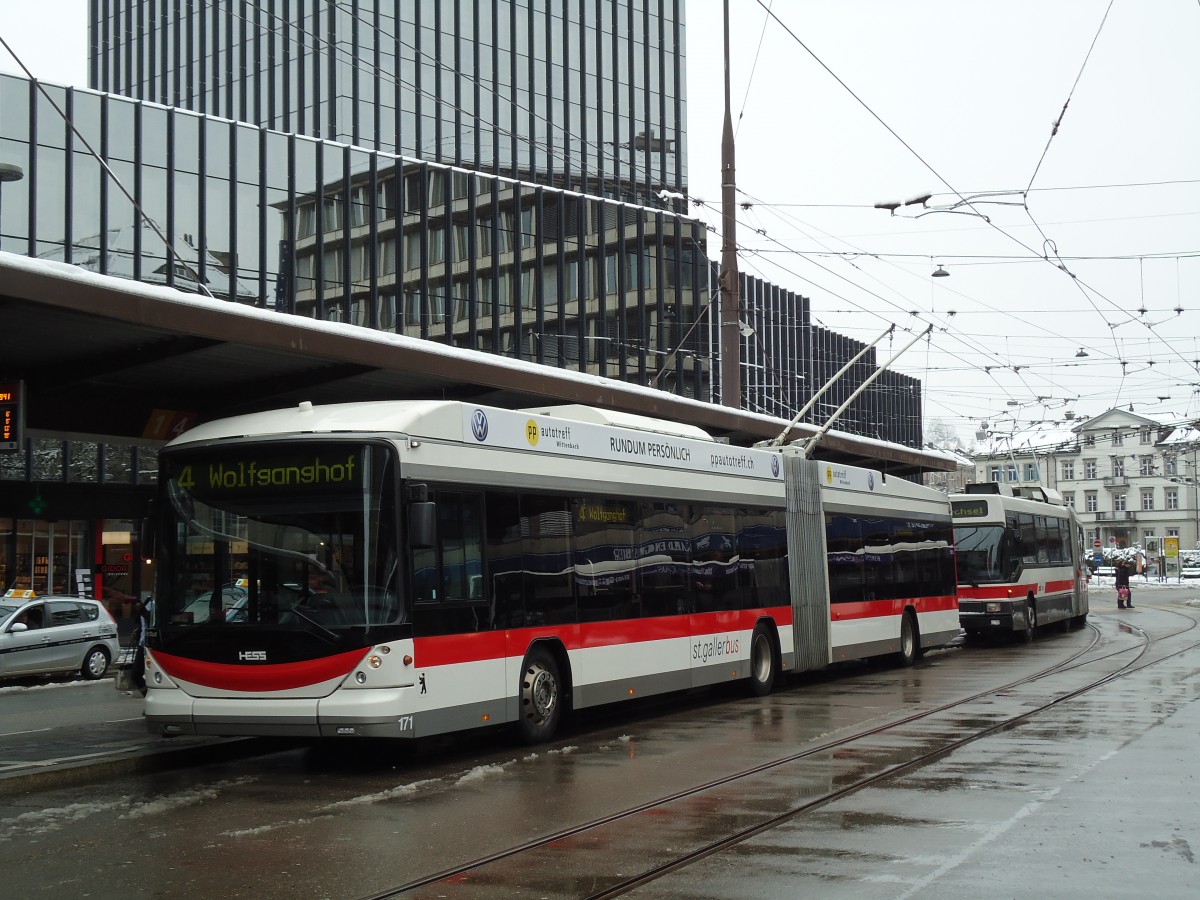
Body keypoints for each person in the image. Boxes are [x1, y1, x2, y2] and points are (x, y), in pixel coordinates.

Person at [131, 598, 149, 694]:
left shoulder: (160, 603)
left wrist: (142, 609)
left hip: (153, 645)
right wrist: (138, 632)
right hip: (142, 644)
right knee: (136, 674)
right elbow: (142, 624)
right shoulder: (148, 601)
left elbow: (153, 620)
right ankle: (147, 696)